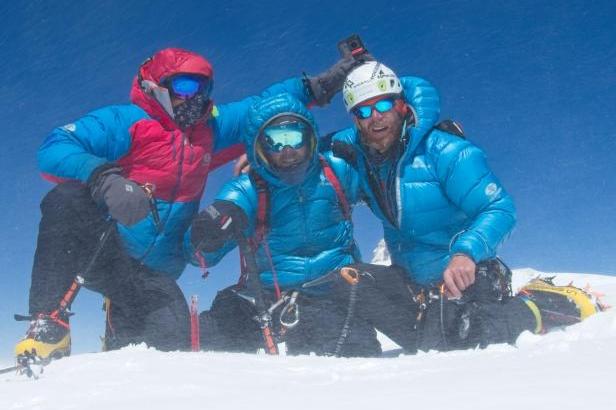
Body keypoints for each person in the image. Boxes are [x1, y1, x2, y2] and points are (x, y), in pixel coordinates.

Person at [14, 47, 363, 361]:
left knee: (172, 346)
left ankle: (120, 328)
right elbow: (55, 146)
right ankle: (50, 324)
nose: (195, 97)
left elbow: (264, 104)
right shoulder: (126, 121)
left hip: (154, 274)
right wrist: (104, 178)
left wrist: (321, 85)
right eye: (183, 87)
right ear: (156, 86)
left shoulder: (208, 129)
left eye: (203, 88)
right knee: (65, 200)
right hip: (106, 250)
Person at [324, 61, 603, 352]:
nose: (375, 117)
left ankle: (540, 303)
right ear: (355, 120)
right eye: (363, 111)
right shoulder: (366, 162)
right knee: (349, 283)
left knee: (449, 336)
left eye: (383, 104)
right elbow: (309, 150)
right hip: (412, 283)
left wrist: (465, 253)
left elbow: (499, 208)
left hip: (467, 273)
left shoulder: (446, 151)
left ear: (401, 105)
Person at [189, 93, 384, 357]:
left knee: (348, 359)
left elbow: (374, 134)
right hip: (267, 298)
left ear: (310, 137)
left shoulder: (338, 170)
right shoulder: (246, 191)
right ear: (260, 146)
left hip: (333, 293)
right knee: (207, 343)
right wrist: (207, 233)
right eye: (275, 141)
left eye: (294, 138)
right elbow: (200, 256)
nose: (287, 150)